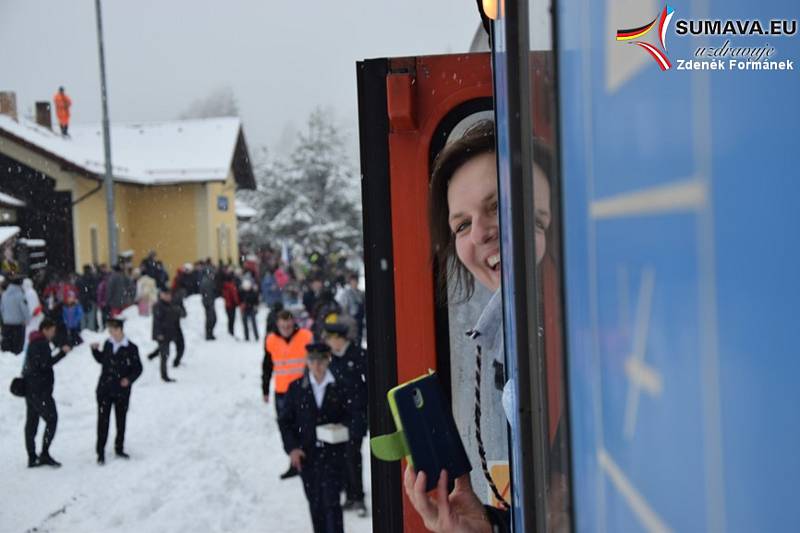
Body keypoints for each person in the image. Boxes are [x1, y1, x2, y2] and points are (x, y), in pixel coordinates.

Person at [404, 120, 561, 532]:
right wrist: (487, 527)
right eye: (461, 225)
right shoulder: (517, 338)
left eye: (497, 206)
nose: (480, 233)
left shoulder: (595, 340)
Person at [278, 342, 350, 533]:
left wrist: (344, 430)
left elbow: (353, 415)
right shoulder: (295, 388)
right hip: (307, 457)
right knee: (315, 504)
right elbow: (285, 422)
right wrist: (292, 448)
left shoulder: (340, 385)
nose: (316, 365)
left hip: (334, 456)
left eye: (321, 360)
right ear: (307, 361)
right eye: (312, 361)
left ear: (328, 360)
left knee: (332, 503)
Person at [322, 322, 368, 516]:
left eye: (330, 339)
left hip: (357, 416)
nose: (328, 342)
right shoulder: (332, 359)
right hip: (339, 418)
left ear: (340, 338)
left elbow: (369, 385)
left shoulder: (359, 355)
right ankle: (350, 496)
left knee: (353, 456)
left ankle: (359, 499)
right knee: (342, 457)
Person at [262, 309, 314, 479]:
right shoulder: (271, 340)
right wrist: (265, 389)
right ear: (277, 324)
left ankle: (309, 460)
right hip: (282, 392)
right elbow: (267, 366)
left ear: (294, 322)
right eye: (282, 324)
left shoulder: (306, 336)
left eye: (288, 323)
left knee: (305, 427)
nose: (286, 327)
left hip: (302, 392)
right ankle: (294, 461)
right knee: (287, 428)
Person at [91, 318, 142, 464]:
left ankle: (119, 448)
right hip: (104, 389)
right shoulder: (108, 344)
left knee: (121, 420)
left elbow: (138, 368)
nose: (110, 333)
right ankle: (100, 452)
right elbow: (103, 360)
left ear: (119, 329)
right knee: (102, 422)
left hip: (121, 391)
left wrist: (129, 379)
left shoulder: (131, 348)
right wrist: (95, 351)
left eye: (112, 330)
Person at [22, 318, 72, 467]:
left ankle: (32, 456)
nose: (53, 334)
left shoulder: (33, 341)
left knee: (32, 422)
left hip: (30, 389)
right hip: (41, 391)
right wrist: (62, 353)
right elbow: (46, 364)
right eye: (52, 330)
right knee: (52, 419)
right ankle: (44, 453)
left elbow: (34, 364)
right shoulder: (41, 343)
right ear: (46, 329)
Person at [150, 289, 181, 382]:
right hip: (162, 334)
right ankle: (164, 375)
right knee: (164, 354)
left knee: (165, 351)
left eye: (169, 294)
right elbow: (157, 322)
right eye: (165, 294)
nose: (168, 296)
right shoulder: (158, 306)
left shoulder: (171, 304)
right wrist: (159, 333)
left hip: (169, 333)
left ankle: (151, 356)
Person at [1, 276, 30, 354]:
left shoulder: (4, 294)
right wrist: (27, 320)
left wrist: (5, 319)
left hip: (6, 325)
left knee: (6, 350)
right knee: (17, 349)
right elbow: (25, 309)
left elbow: (2, 309)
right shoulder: (20, 295)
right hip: (18, 326)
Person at [336, 273, 365, 347]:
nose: (354, 283)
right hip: (351, 319)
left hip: (360, 319)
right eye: (353, 281)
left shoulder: (361, 293)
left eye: (355, 281)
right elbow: (343, 307)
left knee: (359, 337)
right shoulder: (346, 293)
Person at [199, 264, 218, 340]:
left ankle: (210, 333)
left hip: (210, 302)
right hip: (208, 303)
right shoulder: (206, 281)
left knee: (212, 319)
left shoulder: (209, 281)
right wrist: (208, 303)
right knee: (211, 319)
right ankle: (208, 334)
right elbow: (206, 294)